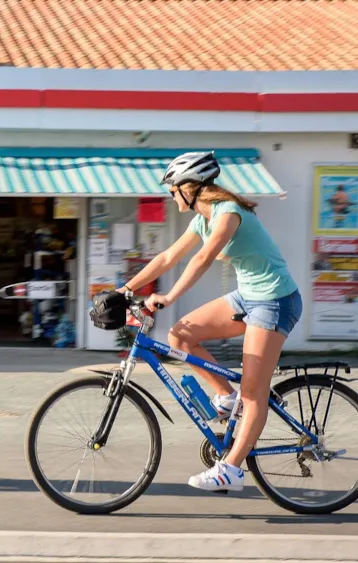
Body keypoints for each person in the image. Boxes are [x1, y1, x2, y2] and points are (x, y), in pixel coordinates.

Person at [117, 151, 302, 492]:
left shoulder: (228, 213)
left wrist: (169, 297)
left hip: (275, 300)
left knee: (254, 391)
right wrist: (124, 289)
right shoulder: (202, 219)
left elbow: (202, 258)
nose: (171, 196)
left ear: (190, 187)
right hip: (248, 296)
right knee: (180, 336)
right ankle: (227, 398)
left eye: (173, 189)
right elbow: (167, 256)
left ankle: (231, 469)